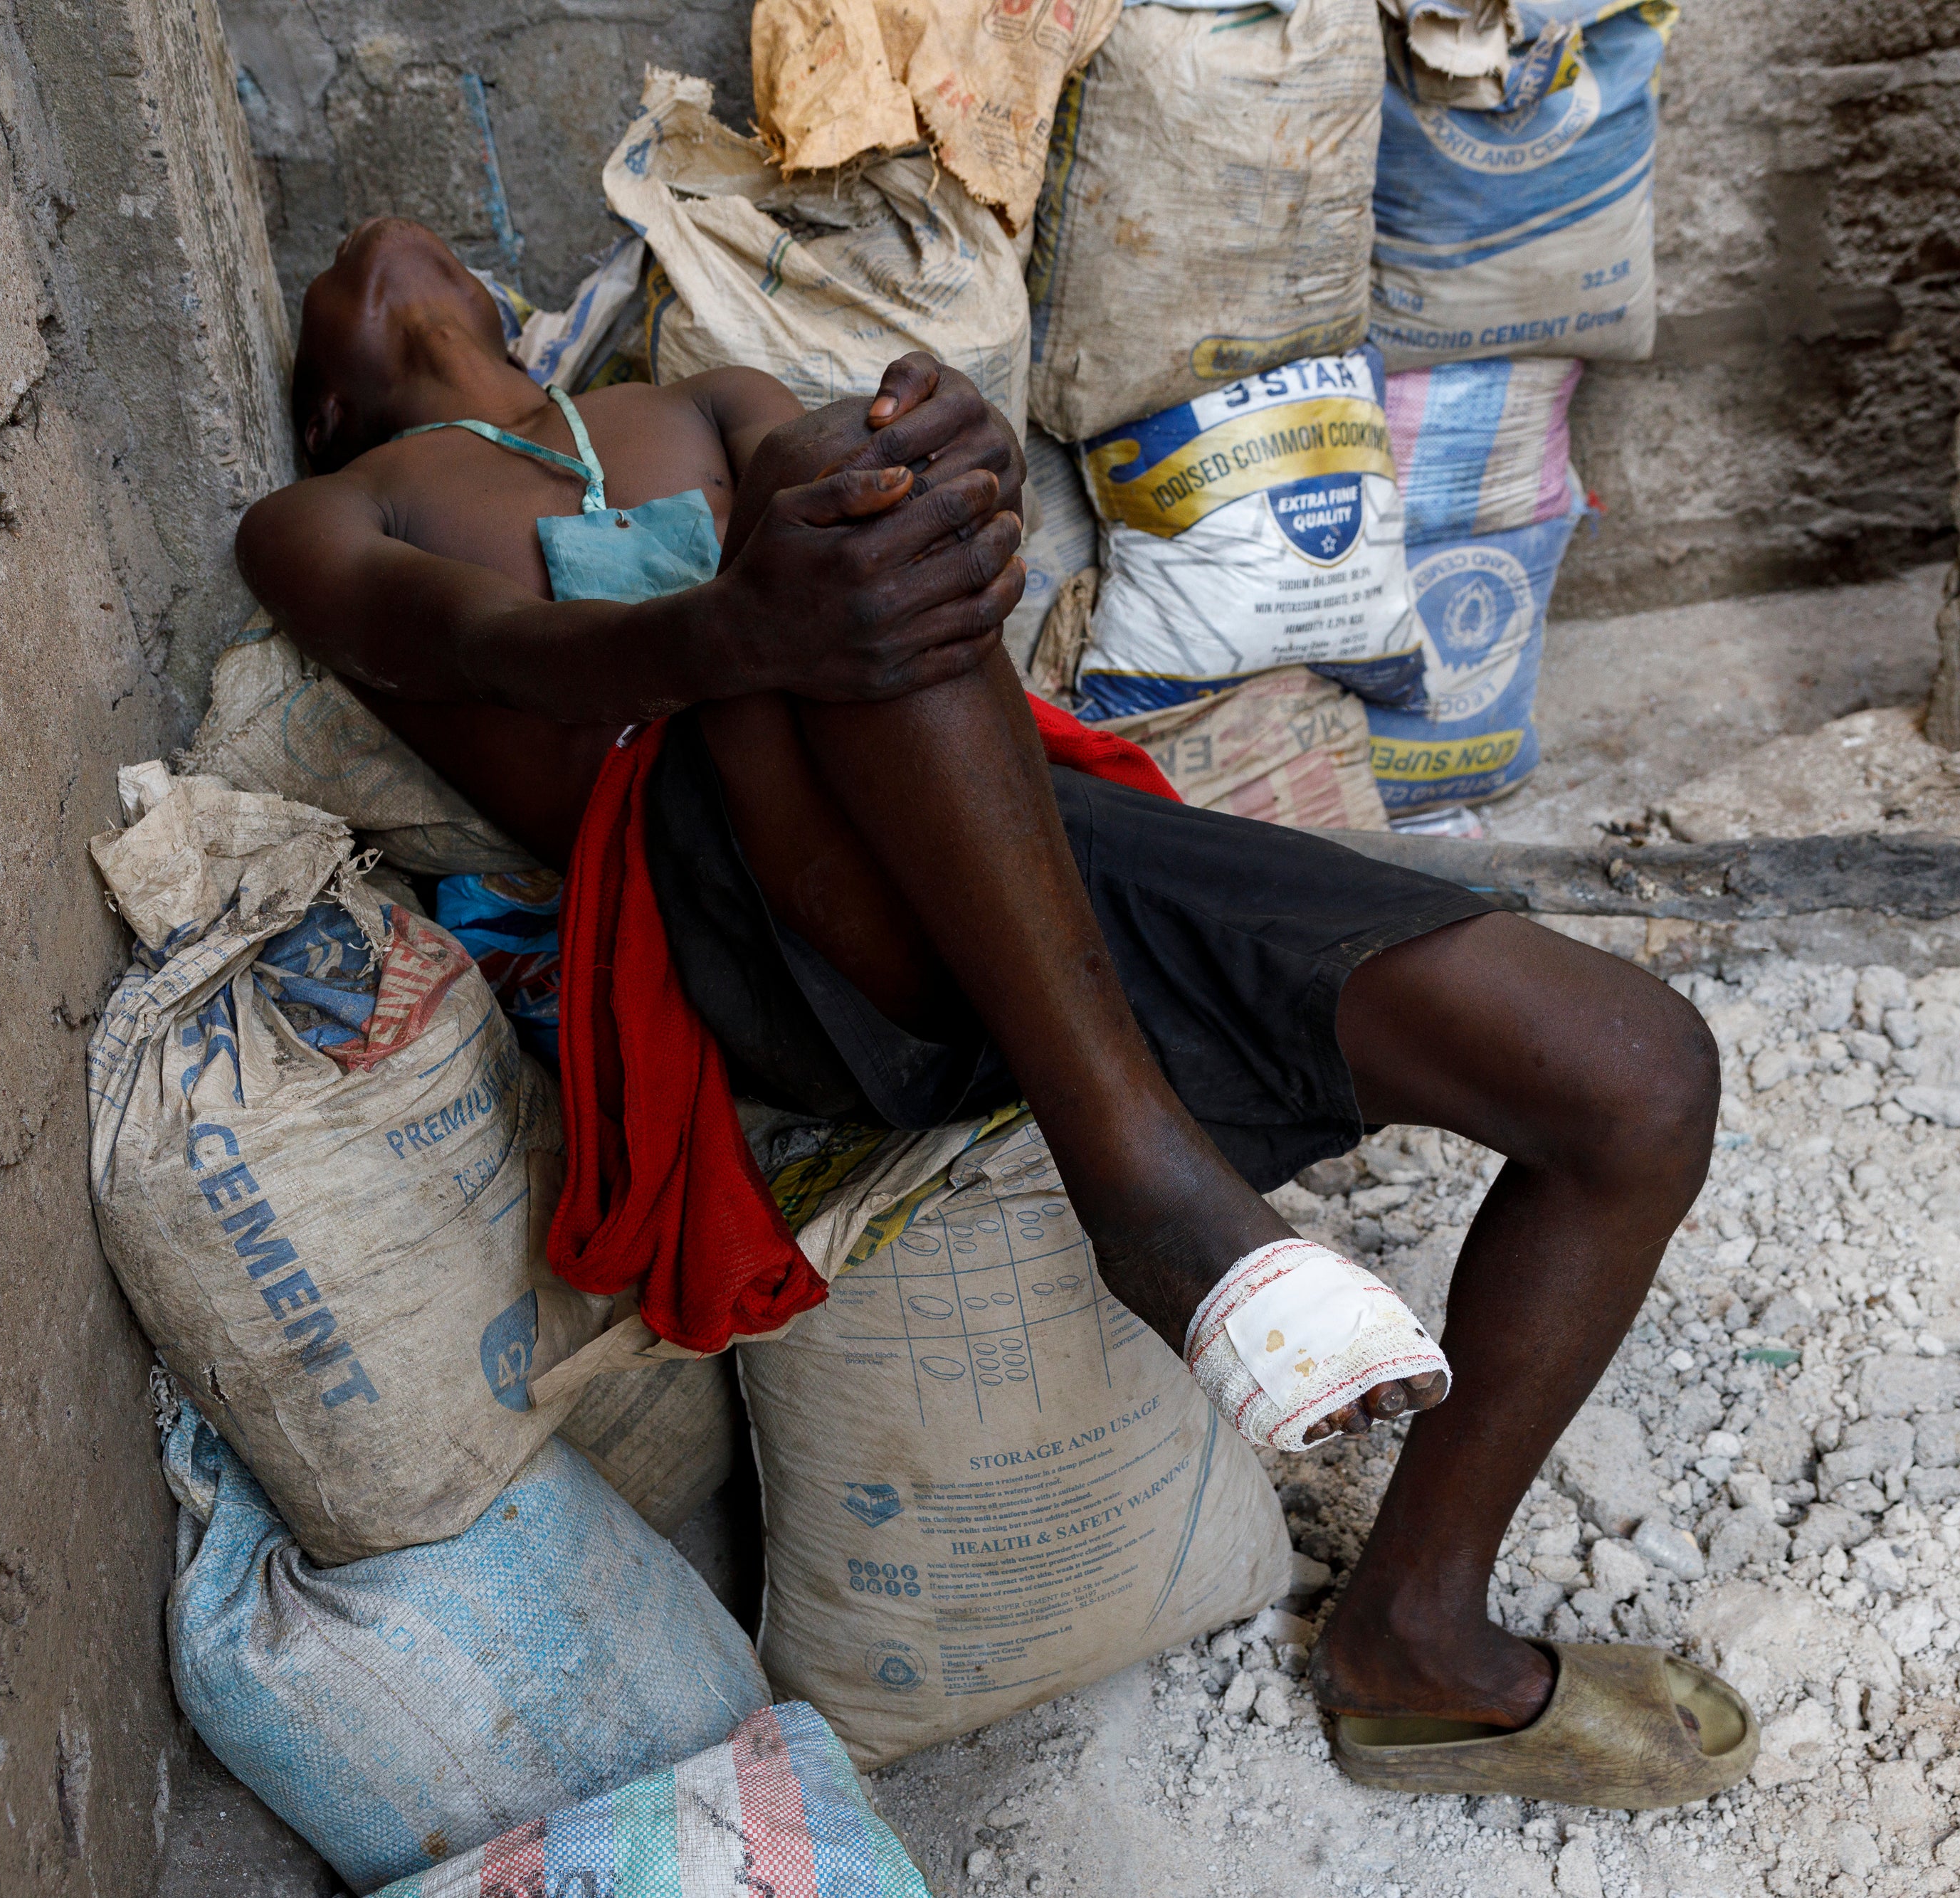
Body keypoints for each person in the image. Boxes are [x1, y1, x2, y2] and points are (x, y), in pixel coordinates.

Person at [236, 216, 1753, 1807]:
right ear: (325, 408)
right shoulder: (327, 507)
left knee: (1635, 1072)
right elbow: (479, 643)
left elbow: (913, 556)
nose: (387, 247)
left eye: (439, 256)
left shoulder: (699, 402)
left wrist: (958, 471)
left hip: (1017, 846)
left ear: (518, 316)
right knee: (829, 581)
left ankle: (1410, 1633)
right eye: (337, 272)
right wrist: (732, 630)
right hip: (756, 926)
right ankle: (1146, 1184)